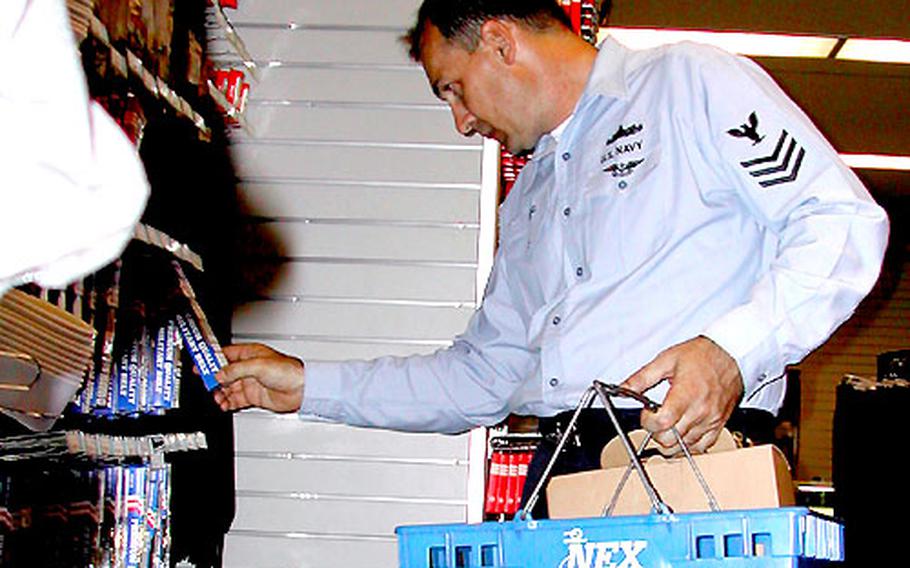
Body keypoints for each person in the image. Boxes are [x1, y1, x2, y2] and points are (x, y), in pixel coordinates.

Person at [214, 0, 889, 517]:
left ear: (501, 42)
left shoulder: (691, 86)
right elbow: (480, 377)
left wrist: (730, 352)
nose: (461, 121)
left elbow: (844, 222)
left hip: (693, 461)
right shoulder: (532, 194)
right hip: (565, 473)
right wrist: (307, 385)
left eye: (453, 88)